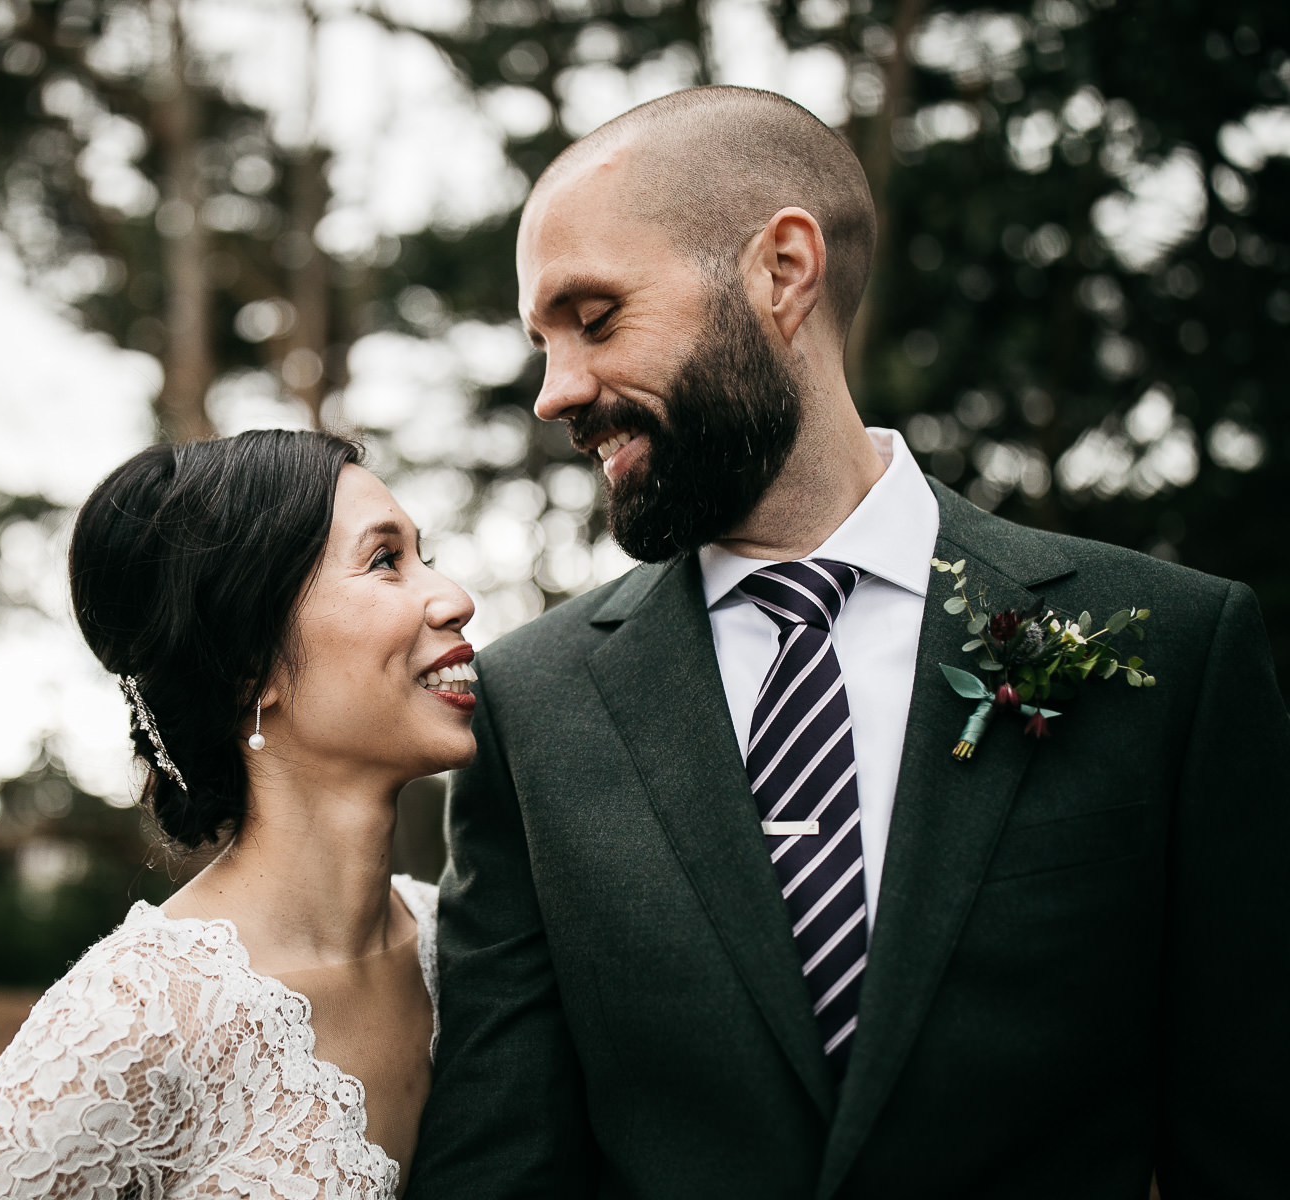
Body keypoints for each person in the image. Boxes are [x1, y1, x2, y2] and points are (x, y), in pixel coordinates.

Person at [407, 86, 1290, 1198]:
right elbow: (501, 1166)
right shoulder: (530, 711)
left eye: (595, 318)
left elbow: (1252, 1134)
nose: (556, 393)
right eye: (543, 343)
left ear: (782, 271)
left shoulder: (1174, 647)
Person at [0, 429, 477, 1199]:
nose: (457, 597)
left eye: (425, 553)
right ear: (249, 671)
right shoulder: (134, 1023)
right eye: (385, 560)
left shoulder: (465, 949)